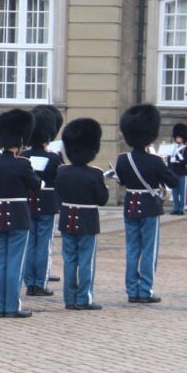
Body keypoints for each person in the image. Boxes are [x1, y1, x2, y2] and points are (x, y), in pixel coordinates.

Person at [114, 104, 177, 304]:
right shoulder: (155, 160)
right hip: (149, 206)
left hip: (130, 205)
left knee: (132, 249)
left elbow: (122, 181)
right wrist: (163, 167)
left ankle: (132, 290)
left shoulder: (123, 159)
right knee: (148, 250)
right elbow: (173, 182)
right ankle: (145, 290)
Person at [0, 109, 41, 319]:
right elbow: (35, 185)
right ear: (19, 140)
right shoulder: (23, 164)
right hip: (17, 215)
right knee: (15, 263)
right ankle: (12, 306)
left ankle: (1, 306)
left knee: (0, 262)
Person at [55, 118, 109, 311]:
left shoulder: (61, 171)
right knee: (86, 261)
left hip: (67, 217)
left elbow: (59, 193)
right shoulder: (95, 173)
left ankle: (69, 299)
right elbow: (102, 199)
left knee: (70, 260)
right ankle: (83, 298)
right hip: (87, 220)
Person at [21, 106, 64, 297]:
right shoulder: (54, 157)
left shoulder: (23, 156)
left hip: (27, 202)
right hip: (47, 202)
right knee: (44, 244)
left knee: (29, 243)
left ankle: (29, 282)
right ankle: (40, 283)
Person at [167, 122, 187, 215]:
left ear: (183, 138)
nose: (178, 139)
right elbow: (169, 160)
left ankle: (181, 208)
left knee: (182, 191)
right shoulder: (172, 148)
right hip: (174, 171)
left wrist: (179, 159)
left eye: (179, 137)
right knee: (175, 192)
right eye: (177, 137)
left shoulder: (186, 148)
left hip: (182, 172)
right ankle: (176, 208)